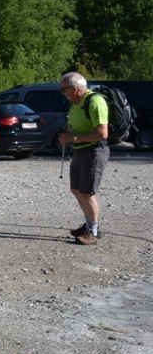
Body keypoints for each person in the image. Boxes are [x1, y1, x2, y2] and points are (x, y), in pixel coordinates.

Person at [58, 72, 109, 245]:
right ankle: (89, 225)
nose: (62, 93)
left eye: (63, 90)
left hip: (94, 151)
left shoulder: (95, 102)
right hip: (79, 151)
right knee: (76, 189)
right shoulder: (74, 104)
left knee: (86, 192)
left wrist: (72, 138)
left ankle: (93, 231)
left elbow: (102, 134)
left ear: (74, 88)